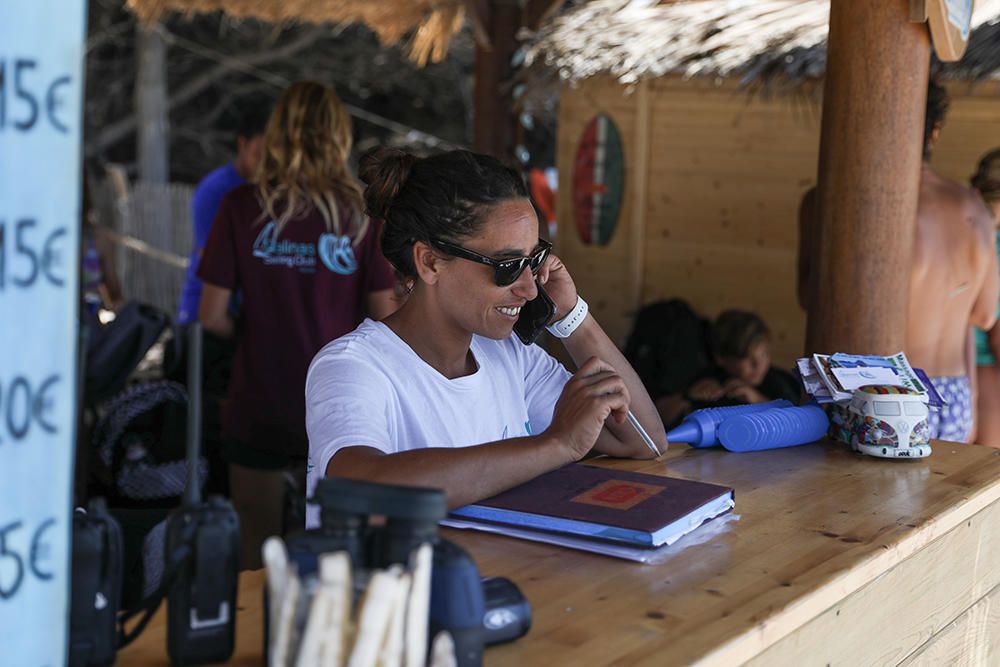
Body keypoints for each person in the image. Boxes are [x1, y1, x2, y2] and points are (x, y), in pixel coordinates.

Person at [304, 147, 668, 528]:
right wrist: (555, 444)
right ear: (429, 262)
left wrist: (571, 316)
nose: (529, 288)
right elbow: (356, 494)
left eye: (534, 260)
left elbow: (642, 441)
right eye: (508, 266)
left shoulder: (510, 357)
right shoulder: (353, 366)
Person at [198, 82, 397, 568]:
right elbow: (388, 320)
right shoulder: (363, 215)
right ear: (339, 136)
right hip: (345, 404)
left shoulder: (242, 206)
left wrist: (254, 331)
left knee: (255, 557)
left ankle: (256, 642)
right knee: (338, 559)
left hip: (260, 397)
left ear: (279, 133)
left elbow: (211, 315)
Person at [176, 103, 269, 326]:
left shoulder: (271, 191)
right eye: (259, 154)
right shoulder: (216, 191)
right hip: (208, 313)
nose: (266, 164)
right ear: (242, 144)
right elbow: (213, 257)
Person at [664, 310, 800, 426]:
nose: (758, 365)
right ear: (721, 358)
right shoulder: (706, 379)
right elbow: (661, 417)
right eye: (747, 357)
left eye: (765, 355)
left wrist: (757, 400)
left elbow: (798, 419)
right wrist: (687, 396)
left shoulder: (777, 382)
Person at [971, 149, 1000, 446]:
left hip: (928, 367)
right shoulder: (994, 242)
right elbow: (994, 329)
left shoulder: (960, 226)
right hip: (983, 368)